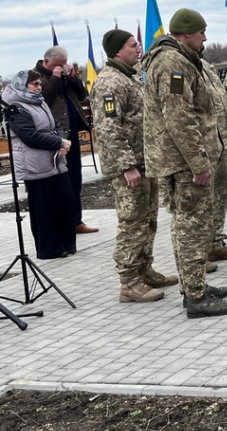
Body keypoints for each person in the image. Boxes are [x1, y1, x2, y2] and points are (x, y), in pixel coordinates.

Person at [141, 9, 227, 318]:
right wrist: (199, 163)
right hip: (183, 163)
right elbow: (179, 118)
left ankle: (194, 286)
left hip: (181, 160)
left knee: (192, 225)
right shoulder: (172, 64)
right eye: (201, 32)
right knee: (191, 227)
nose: (205, 37)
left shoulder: (179, 59)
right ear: (185, 35)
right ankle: (196, 297)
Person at [90, 29, 177, 302]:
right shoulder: (109, 83)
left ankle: (144, 270)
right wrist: (127, 166)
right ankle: (128, 281)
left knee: (148, 220)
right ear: (117, 51)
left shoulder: (130, 76)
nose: (138, 47)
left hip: (146, 160)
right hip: (130, 167)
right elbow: (108, 128)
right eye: (132, 44)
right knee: (132, 223)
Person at [2, 71, 77, 260]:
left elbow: (56, 124)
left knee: (65, 202)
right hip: (35, 165)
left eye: (40, 84)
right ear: (22, 85)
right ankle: (50, 249)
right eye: (34, 84)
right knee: (44, 209)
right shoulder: (16, 107)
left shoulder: (39, 100)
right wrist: (58, 143)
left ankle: (67, 244)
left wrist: (62, 141)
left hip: (55, 161)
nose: (39, 87)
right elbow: (29, 136)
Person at [35, 46, 96, 234]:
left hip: (72, 134)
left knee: (75, 177)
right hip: (55, 136)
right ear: (47, 62)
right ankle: (62, 223)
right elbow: (42, 100)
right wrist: (54, 78)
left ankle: (76, 220)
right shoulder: (36, 77)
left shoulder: (64, 76)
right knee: (61, 181)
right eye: (58, 65)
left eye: (64, 64)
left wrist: (72, 78)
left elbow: (81, 94)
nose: (61, 68)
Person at [199, 50, 227, 264]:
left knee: (219, 196)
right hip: (202, 147)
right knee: (203, 201)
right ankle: (200, 251)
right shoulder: (181, 67)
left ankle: (215, 243)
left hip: (219, 143)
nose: (205, 39)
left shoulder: (205, 65)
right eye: (200, 33)